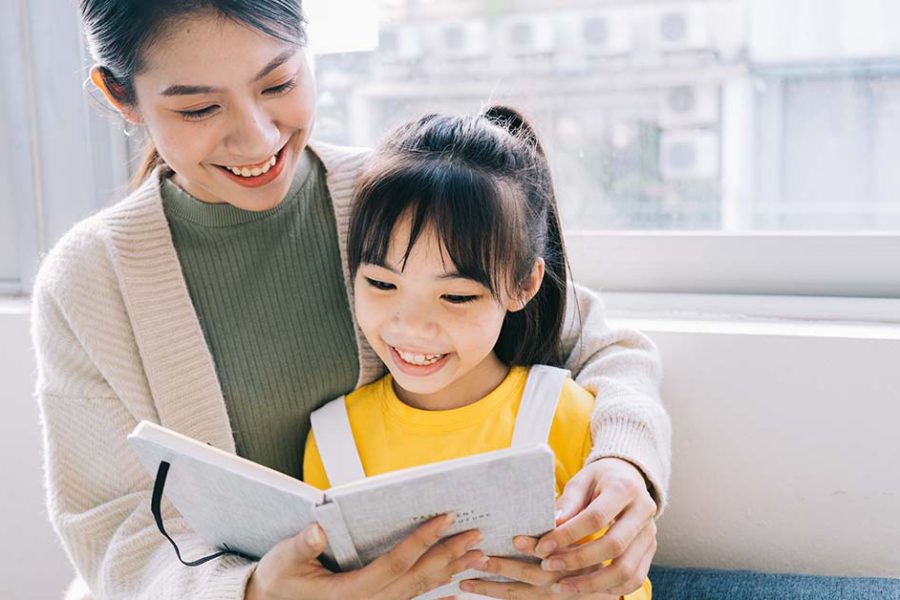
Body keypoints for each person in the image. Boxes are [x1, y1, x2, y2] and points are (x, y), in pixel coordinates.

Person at [31, 1, 670, 599]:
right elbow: (111, 528)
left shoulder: (389, 197)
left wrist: (625, 465)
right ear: (121, 96)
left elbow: (602, 345)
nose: (256, 139)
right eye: (199, 109)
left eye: (278, 83)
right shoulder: (91, 279)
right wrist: (253, 591)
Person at [302, 107, 653, 600]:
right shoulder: (332, 438)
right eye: (381, 284)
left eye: (456, 296)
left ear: (524, 285)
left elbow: (619, 582)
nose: (412, 326)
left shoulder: (569, 416)